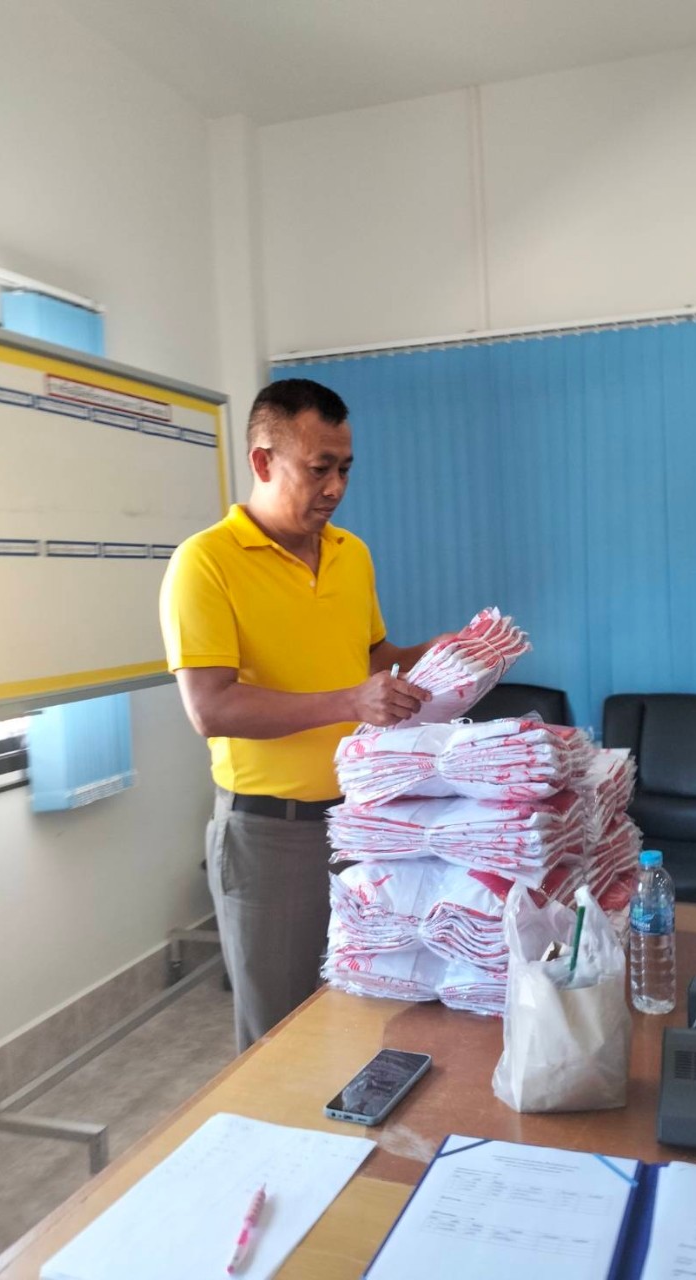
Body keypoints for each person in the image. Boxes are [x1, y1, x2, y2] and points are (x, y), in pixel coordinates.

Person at [159, 378, 452, 1051]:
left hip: (363, 822)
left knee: (365, 1016)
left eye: (345, 468)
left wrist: (441, 654)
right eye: (319, 468)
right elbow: (211, 707)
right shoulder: (204, 563)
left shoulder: (351, 554)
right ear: (263, 461)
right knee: (280, 1039)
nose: (336, 487)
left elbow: (373, 662)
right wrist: (350, 702)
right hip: (272, 835)